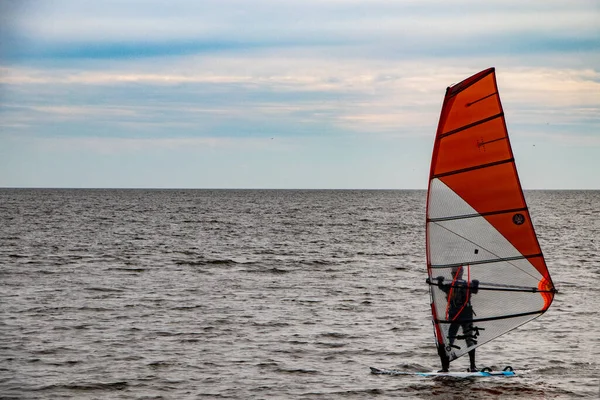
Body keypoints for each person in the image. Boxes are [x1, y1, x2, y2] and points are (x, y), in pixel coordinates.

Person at [434, 265, 479, 372]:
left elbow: (475, 290)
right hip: (456, 315)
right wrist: (439, 281)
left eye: (456, 272)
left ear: (461, 273)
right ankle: (445, 367)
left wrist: (476, 284)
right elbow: (442, 287)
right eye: (454, 273)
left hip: (465, 315)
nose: (455, 274)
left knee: (469, 339)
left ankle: (473, 366)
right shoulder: (451, 286)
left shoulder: (467, 285)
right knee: (450, 338)